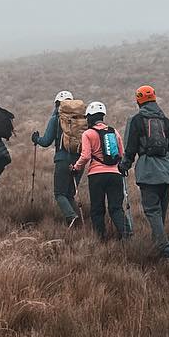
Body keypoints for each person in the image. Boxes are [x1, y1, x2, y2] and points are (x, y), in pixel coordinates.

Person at [122, 87, 169, 258]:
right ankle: (159, 248)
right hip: (167, 171)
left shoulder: (136, 120)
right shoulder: (167, 122)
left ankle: (165, 248)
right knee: (160, 212)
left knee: (152, 211)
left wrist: (124, 165)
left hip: (148, 171)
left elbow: (130, 148)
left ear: (138, 100)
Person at [72, 101, 130, 239]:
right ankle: (127, 235)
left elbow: (85, 156)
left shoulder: (88, 133)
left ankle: (100, 239)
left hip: (96, 175)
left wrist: (76, 167)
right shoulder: (114, 131)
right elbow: (121, 153)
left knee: (97, 209)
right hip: (115, 174)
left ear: (90, 117)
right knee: (116, 208)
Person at [32, 91, 82, 224]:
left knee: (60, 194)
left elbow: (46, 141)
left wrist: (36, 139)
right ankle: (78, 223)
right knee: (70, 195)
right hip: (79, 161)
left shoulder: (56, 119)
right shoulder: (81, 120)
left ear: (57, 104)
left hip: (63, 160)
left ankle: (71, 217)